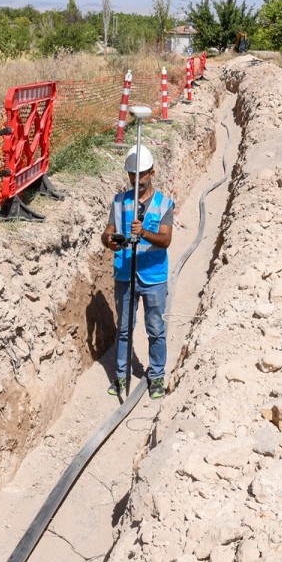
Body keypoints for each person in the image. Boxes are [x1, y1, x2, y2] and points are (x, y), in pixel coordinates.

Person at [100, 145, 174, 399]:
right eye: (133, 174)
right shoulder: (120, 202)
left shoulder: (164, 204)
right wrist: (110, 240)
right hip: (125, 275)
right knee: (124, 329)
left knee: (155, 329)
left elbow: (165, 241)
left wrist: (143, 233)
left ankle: (156, 376)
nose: (137, 179)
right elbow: (107, 232)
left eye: (142, 174)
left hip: (153, 277)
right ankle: (121, 377)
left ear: (152, 172)